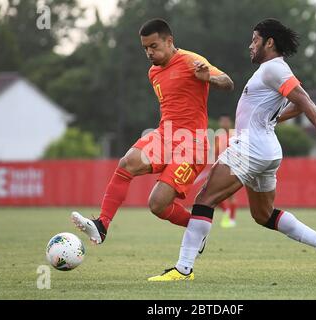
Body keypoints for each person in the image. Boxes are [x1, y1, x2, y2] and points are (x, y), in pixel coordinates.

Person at [148, 18, 316, 281]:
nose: (250, 46)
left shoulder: (273, 69)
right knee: (263, 215)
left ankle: (183, 269)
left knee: (204, 201)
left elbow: (303, 99)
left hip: (249, 148)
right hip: (267, 150)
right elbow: (297, 104)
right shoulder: (273, 70)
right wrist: (272, 119)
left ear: (269, 42)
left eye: (254, 40)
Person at [71, 18, 234, 245]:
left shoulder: (191, 60)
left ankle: (196, 230)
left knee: (157, 204)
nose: (149, 52)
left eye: (153, 46)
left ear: (169, 41)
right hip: (165, 136)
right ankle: (102, 225)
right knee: (126, 163)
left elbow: (228, 83)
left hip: (192, 144)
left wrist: (209, 78)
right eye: (145, 48)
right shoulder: (153, 73)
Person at [214, 115, 238, 228]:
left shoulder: (235, 135)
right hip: (221, 167)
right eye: (222, 122)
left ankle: (232, 218)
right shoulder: (219, 136)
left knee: (231, 194)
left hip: (233, 166)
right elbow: (215, 153)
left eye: (226, 122)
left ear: (230, 123)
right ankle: (227, 210)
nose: (224, 124)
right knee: (214, 193)